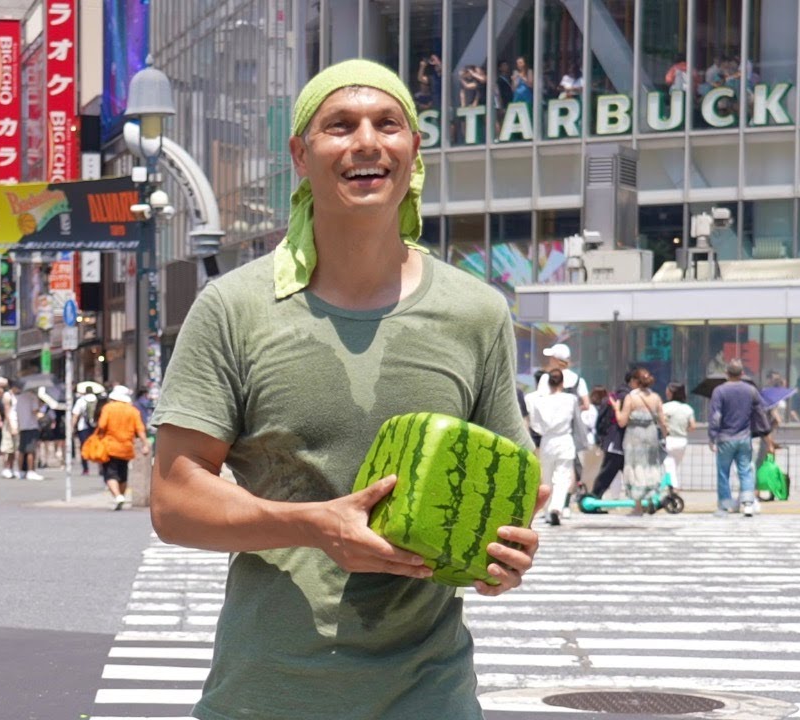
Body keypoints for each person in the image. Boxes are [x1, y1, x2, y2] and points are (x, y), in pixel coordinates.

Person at [149, 59, 546, 719]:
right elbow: (173, 500)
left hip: (429, 694)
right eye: (340, 126)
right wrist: (314, 525)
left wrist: (502, 552)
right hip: (268, 695)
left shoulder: (477, 313)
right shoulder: (234, 309)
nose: (366, 141)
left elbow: (516, 480)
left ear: (413, 150)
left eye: (387, 124)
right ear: (301, 155)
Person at [708, 359, 765, 517]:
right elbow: (760, 412)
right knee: (745, 471)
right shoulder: (751, 390)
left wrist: (712, 436)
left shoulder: (719, 391)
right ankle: (747, 504)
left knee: (723, 472)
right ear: (742, 374)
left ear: (726, 373)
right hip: (744, 437)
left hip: (725, 438)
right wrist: (763, 431)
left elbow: (716, 416)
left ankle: (725, 506)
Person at [527, 369, 584, 525]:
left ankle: (547, 510)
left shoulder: (538, 401)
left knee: (547, 477)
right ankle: (556, 507)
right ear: (562, 382)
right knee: (563, 476)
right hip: (565, 439)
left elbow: (535, 424)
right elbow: (577, 420)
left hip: (547, 440)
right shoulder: (570, 399)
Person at [616, 367, 666, 514]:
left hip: (634, 436)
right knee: (650, 466)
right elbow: (662, 420)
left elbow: (622, 421)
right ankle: (651, 499)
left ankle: (637, 506)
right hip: (650, 435)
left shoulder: (631, 397)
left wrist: (616, 409)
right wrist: (665, 435)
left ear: (636, 381)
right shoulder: (656, 397)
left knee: (635, 467)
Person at [98, 385, 147, 510]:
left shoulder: (108, 408)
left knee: (110, 474)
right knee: (123, 474)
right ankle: (121, 496)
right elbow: (140, 428)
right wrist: (145, 443)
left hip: (110, 445)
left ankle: (118, 496)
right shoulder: (133, 411)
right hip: (126, 447)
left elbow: (102, 425)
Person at [587, 371, 633, 505]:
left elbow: (600, 422)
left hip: (613, 441)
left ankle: (595, 496)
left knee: (609, 472)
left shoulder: (614, 395)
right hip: (619, 441)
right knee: (611, 472)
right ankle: (594, 497)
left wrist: (601, 439)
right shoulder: (626, 397)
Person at [662, 382, 696, 491]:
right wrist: (684, 429)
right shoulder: (687, 408)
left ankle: (674, 486)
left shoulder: (666, 407)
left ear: (671, 393)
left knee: (668, 463)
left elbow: (661, 421)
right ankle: (671, 487)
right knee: (673, 464)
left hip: (669, 439)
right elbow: (693, 426)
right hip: (682, 440)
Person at [537, 342, 591, 410]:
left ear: (556, 360)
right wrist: (571, 412)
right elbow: (586, 405)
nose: (549, 360)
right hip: (569, 420)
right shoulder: (578, 380)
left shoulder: (546, 378)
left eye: (551, 358)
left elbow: (540, 400)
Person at [12, 381, 44, 481]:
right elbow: (35, 411)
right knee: (31, 450)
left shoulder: (19, 398)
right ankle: (31, 471)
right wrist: (40, 406)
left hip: (22, 426)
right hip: (31, 425)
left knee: (22, 450)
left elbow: (16, 411)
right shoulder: (32, 397)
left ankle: (21, 471)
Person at [73, 387, 99, 475]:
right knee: (98, 446)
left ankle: (85, 469)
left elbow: (75, 415)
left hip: (83, 427)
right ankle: (101, 467)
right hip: (96, 426)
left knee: (83, 447)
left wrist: (72, 427)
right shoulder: (97, 400)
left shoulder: (81, 400)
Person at [0, 383, 19, 479]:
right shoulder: (7, 396)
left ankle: (11, 468)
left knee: (14, 449)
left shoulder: (17, 396)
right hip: (9, 425)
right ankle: (5, 468)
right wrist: (11, 427)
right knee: (7, 448)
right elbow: (7, 412)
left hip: (17, 423)